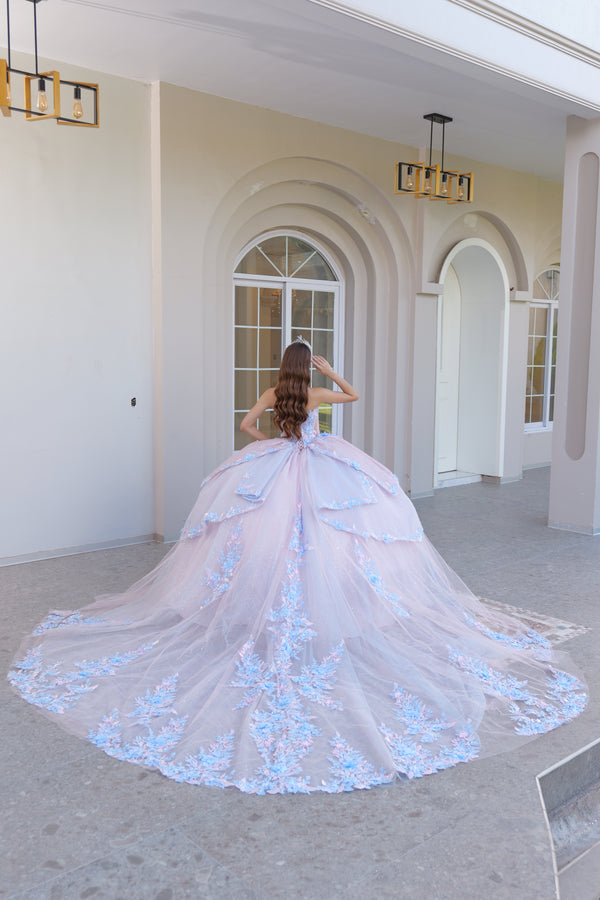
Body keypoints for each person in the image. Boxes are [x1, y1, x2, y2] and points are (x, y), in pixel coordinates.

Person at [8, 338, 587, 794]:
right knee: (326, 542)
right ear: (307, 370)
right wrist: (329, 373)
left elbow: (245, 428)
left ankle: (268, 614)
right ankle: (318, 616)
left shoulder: (275, 394)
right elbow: (355, 397)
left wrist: (272, 444)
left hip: (278, 465)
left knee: (269, 545)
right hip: (317, 469)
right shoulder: (317, 396)